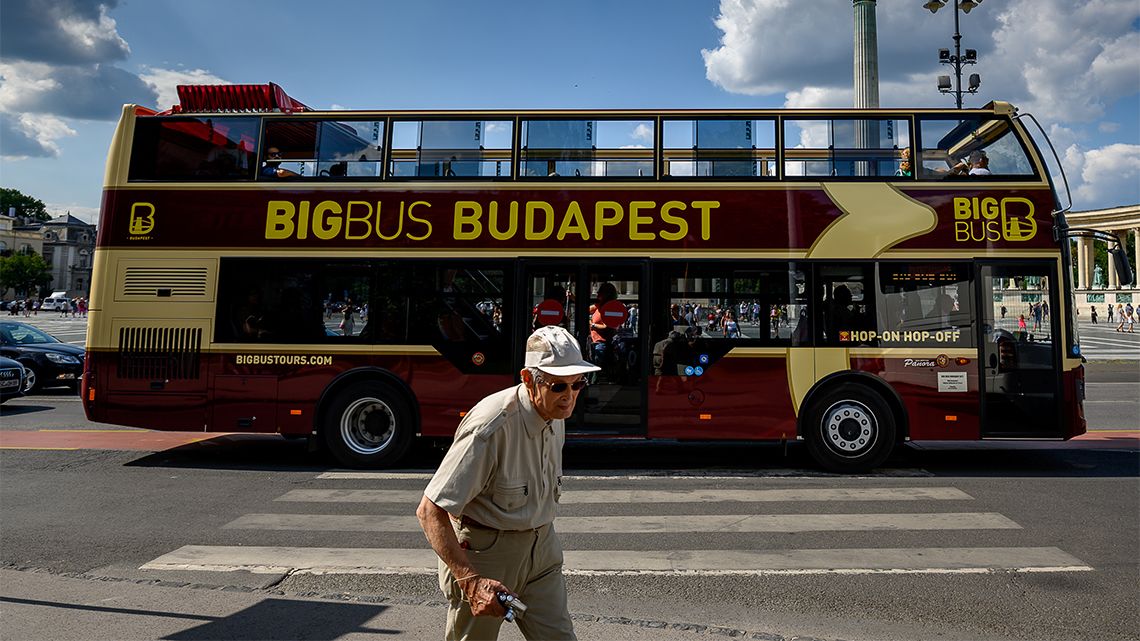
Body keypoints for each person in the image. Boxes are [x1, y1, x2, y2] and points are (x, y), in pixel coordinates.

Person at [416, 326, 598, 641]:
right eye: (557, 386)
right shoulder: (491, 427)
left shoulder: (556, 416)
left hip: (541, 553)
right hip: (486, 557)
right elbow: (429, 511)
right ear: (528, 379)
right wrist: (471, 581)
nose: (569, 396)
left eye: (578, 383)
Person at [589, 282, 619, 367]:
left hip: (601, 343)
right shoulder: (599, 306)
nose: (597, 293)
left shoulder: (610, 308)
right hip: (594, 341)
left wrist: (592, 324)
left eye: (600, 291)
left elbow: (606, 326)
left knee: (596, 368)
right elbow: (584, 308)